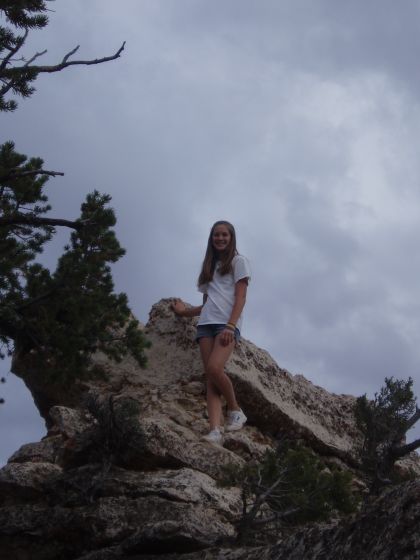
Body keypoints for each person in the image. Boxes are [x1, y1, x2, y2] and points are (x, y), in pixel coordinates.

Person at [172, 220, 251, 445]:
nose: (220, 238)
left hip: (225, 325)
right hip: (206, 324)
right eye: (216, 235)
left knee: (215, 368)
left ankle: (235, 410)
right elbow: (206, 303)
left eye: (224, 235)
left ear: (231, 237)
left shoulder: (239, 261)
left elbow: (241, 297)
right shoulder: (209, 266)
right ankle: (215, 430)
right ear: (211, 238)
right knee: (210, 378)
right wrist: (183, 313)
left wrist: (231, 325)